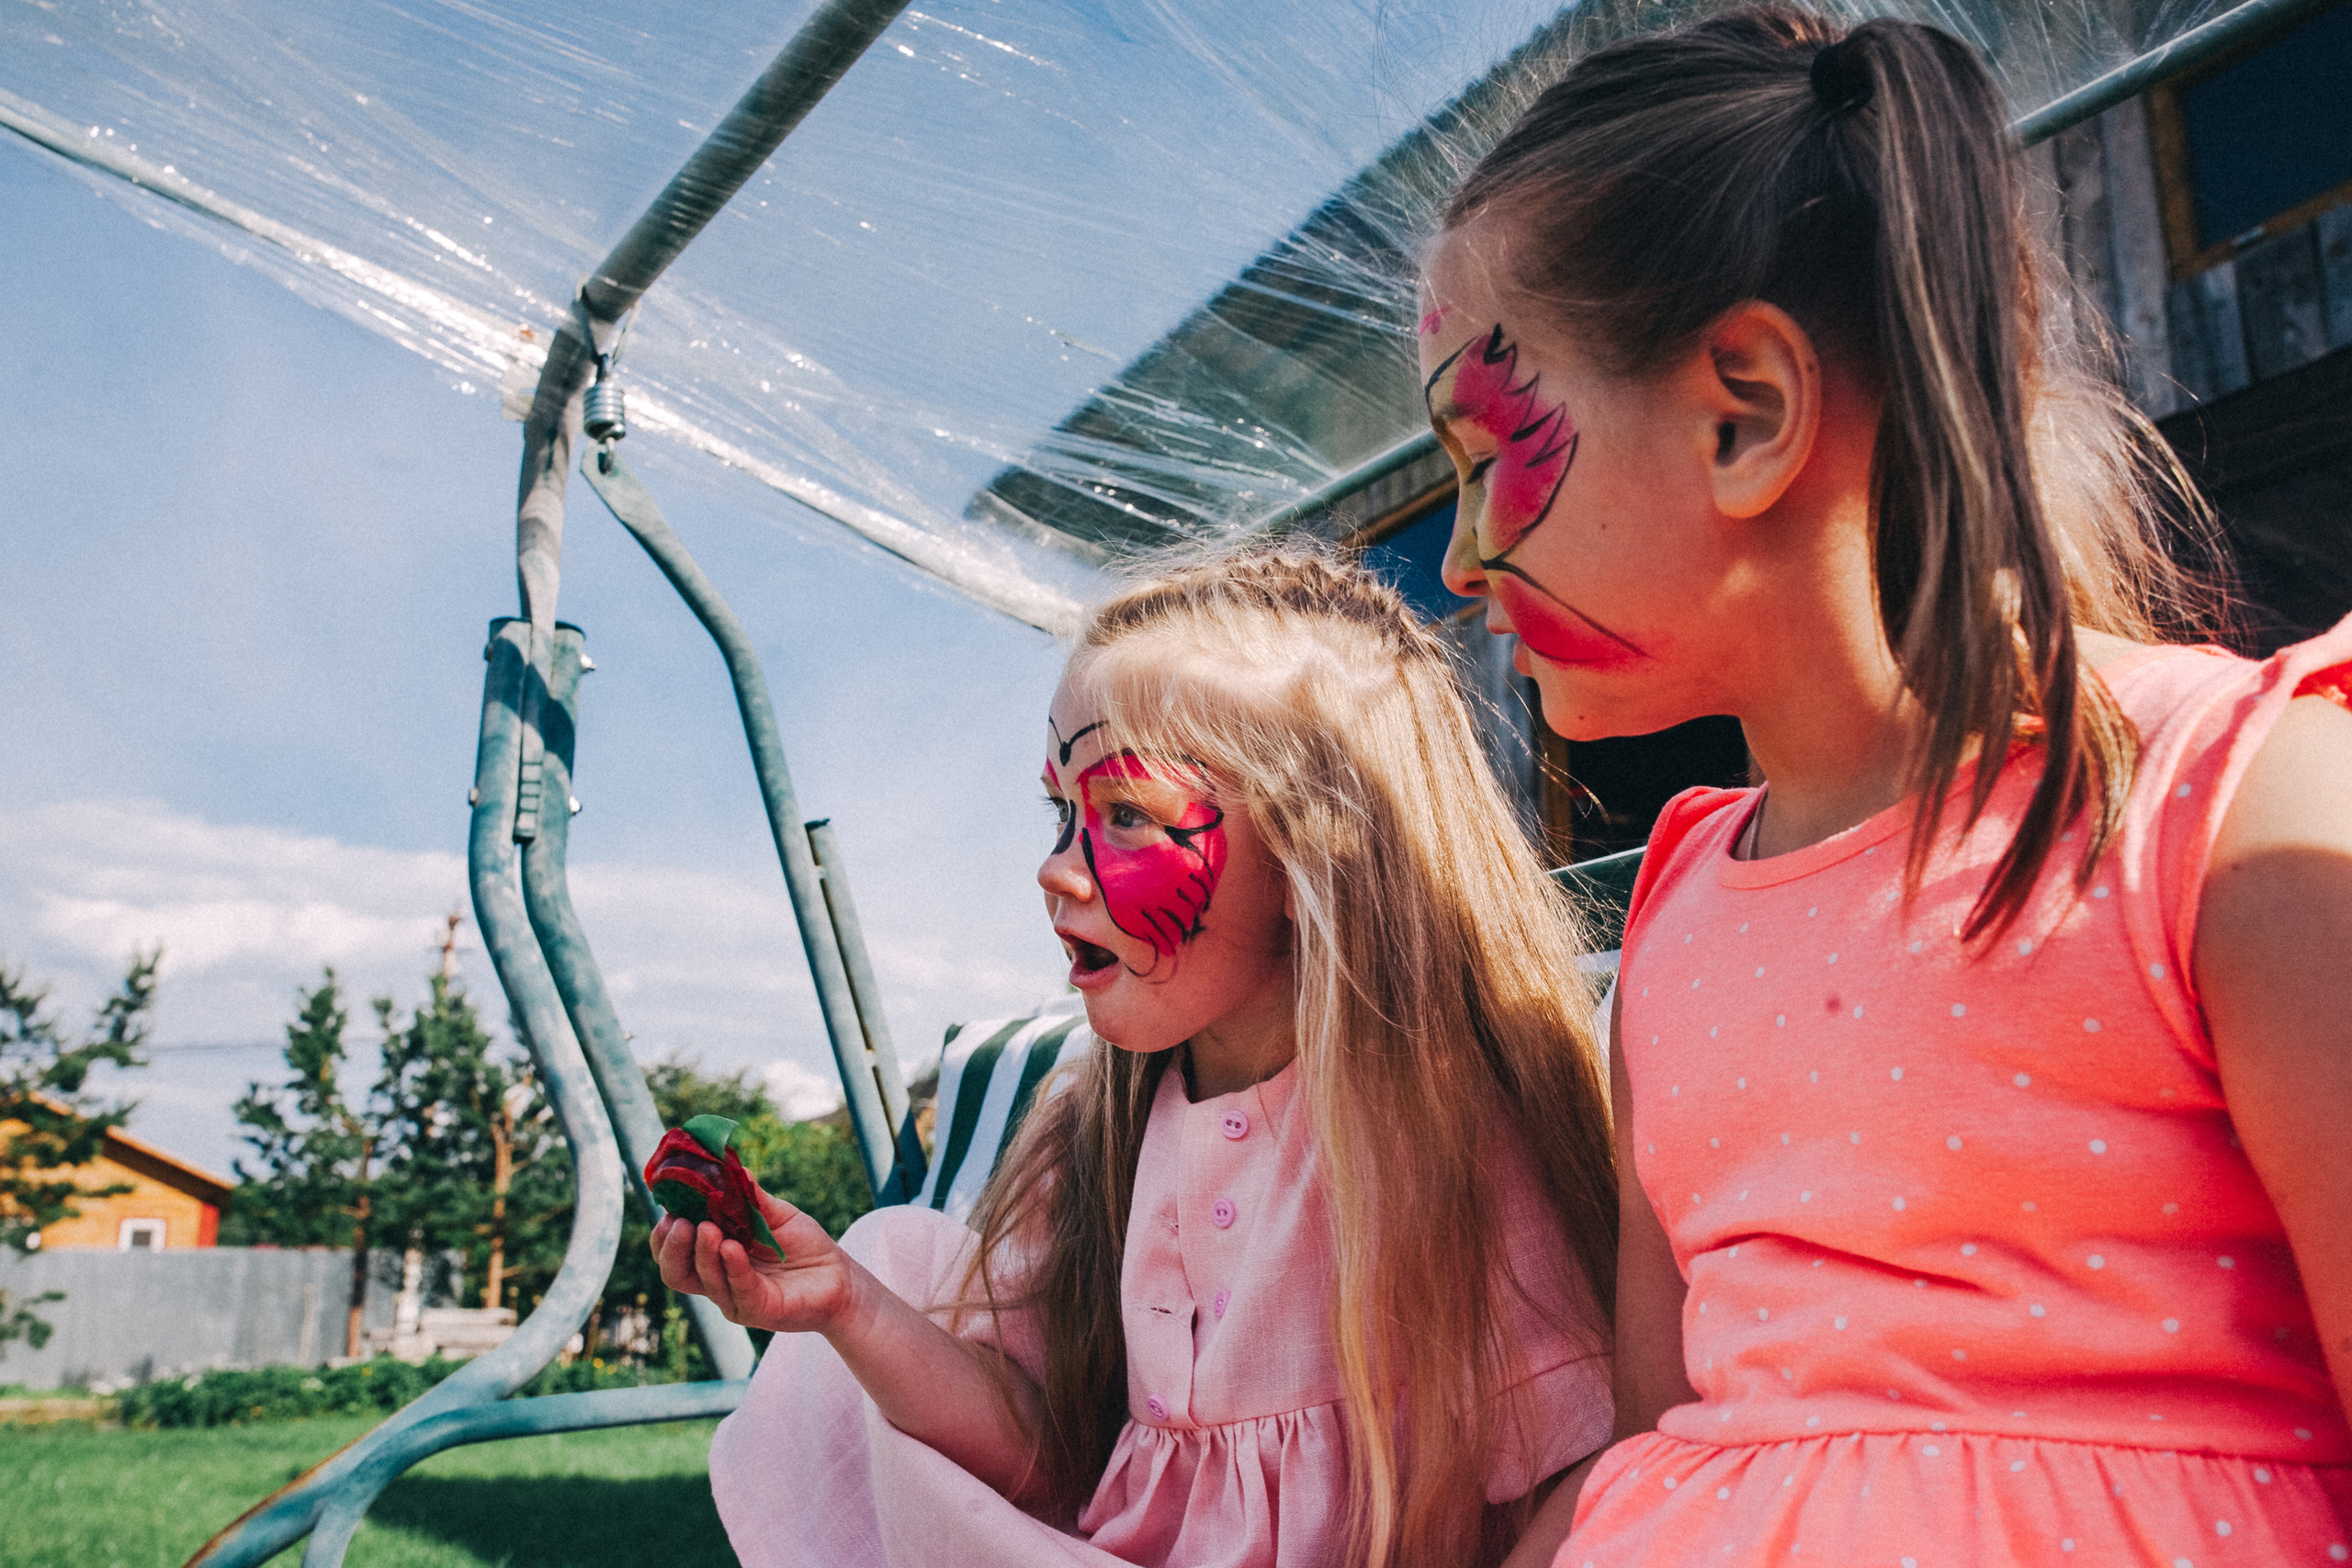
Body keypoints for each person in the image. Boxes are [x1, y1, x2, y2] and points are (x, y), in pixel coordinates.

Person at [1422, 7, 2352, 1562]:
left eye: (1480, 450)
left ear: (1748, 413)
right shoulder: (1673, 914)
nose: (1453, 560)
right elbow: (1675, 1427)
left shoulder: (2241, 816)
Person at [658, 548, 1622, 1568]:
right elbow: (1044, 1463)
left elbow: (1584, 1463)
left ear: (1318, 849)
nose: (1054, 865)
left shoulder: (1448, 1133)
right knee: (890, 1258)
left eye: (1124, 812)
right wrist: (843, 1305)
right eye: (1060, 811)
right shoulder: (1092, 1128)